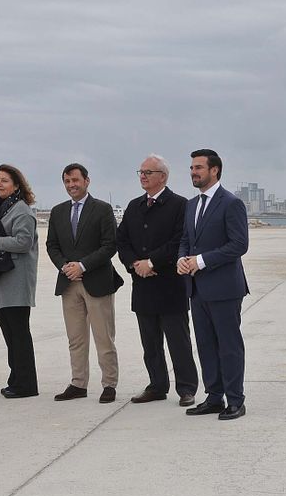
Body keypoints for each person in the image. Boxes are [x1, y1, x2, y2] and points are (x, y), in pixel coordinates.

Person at [178, 149, 249, 420]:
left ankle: (235, 400)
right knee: (205, 344)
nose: (193, 172)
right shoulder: (191, 205)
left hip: (225, 289)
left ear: (214, 170)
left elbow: (239, 245)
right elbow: (186, 239)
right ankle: (214, 397)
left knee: (229, 345)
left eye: (198, 167)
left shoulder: (231, 203)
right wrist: (182, 260)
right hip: (197, 289)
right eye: (192, 168)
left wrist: (202, 261)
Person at [117, 155, 194, 406]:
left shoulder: (180, 205)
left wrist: (151, 262)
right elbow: (123, 241)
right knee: (150, 343)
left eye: (148, 172)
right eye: (140, 171)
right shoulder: (133, 206)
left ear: (163, 176)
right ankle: (157, 385)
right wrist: (135, 265)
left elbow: (179, 241)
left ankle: (187, 388)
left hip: (170, 285)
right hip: (143, 285)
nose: (143, 176)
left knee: (178, 342)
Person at [44, 163, 122, 403]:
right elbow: (52, 245)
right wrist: (66, 266)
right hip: (69, 283)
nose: (71, 185)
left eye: (75, 180)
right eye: (67, 181)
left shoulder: (102, 209)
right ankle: (78, 383)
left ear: (87, 181)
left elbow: (110, 245)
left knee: (103, 337)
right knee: (76, 338)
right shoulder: (57, 212)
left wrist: (83, 266)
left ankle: (109, 384)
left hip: (97, 281)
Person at [0, 164, 40, 399]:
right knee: (10, 335)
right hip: (1, 279)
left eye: (4, 180)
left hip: (16, 280)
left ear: (16, 184)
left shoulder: (22, 210)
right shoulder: (0, 208)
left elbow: (23, 243)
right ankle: (16, 380)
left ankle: (26, 385)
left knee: (19, 334)